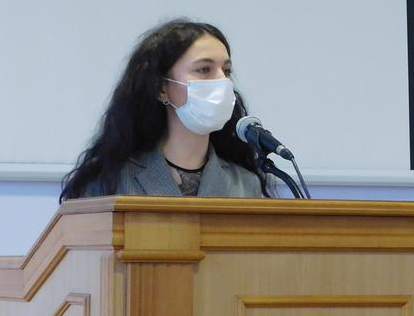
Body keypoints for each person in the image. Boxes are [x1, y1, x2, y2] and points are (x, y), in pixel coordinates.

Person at [60, 19, 266, 201]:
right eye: (204, 69)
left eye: (226, 71)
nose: (222, 81)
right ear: (161, 88)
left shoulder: (246, 184)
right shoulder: (110, 181)